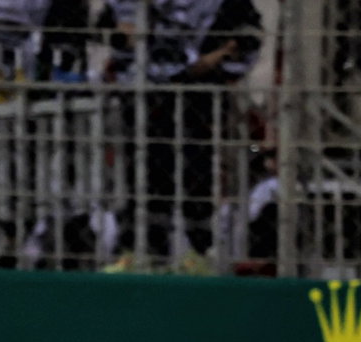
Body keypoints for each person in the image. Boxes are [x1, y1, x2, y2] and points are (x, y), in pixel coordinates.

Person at [110, 0, 262, 271]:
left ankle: (198, 254)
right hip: (146, 98)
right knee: (144, 177)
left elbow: (247, 39)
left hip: (198, 100)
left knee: (196, 175)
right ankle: (140, 252)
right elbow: (113, 35)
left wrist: (215, 59)